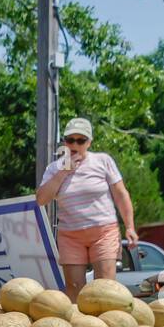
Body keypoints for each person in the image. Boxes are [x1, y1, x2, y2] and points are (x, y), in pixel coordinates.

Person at [35, 118, 138, 302]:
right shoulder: (54, 168)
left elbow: (121, 195)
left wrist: (130, 227)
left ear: (89, 142)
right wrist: (64, 171)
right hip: (70, 235)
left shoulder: (102, 161)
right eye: (70, 140)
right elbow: (41, 199)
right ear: (64, 142)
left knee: (105, 289)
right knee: (74, 290)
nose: (74, 145)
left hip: (103, 231)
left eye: (80, 140)